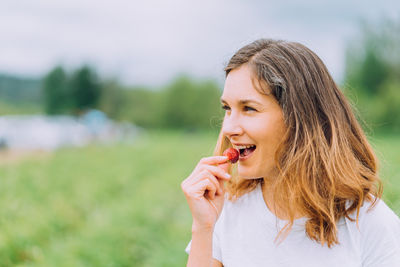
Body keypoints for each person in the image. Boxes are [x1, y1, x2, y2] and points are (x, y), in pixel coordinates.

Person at [181, 39, 400, 267]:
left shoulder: (369, 224)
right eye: (227, 109)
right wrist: (203, 227)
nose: (228, 129)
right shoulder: (226, 214)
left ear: (300, 119)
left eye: (249, 108)